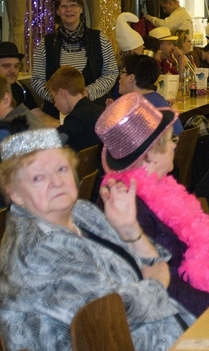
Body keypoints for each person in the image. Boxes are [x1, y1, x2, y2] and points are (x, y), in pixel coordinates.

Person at [0, 128, 193, 350]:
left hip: (161, 332)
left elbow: (154, 263)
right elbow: (107, 314)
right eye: (38, 178)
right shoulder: (35, 251)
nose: (56, 182)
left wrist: (129, 229)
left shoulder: (81, 211)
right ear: (15, 193)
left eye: (61, 169)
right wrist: (156, 284)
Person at [96, 93, 209, 316]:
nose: (176, 144)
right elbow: (165, 285)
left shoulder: (167, 187)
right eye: (171, 139)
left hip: (207, 301)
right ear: (151, 154)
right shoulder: (127, 206)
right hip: (178, 318)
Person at [31, 0, 117, 117]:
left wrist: (86, 94)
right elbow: (37, 80)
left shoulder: (100, 39)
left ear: (81, 9)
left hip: (94, 110)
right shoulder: (46, 43)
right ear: (57, 11)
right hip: (56, 112)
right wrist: (58, 98)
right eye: (64, 6)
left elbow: (111, 73)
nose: (68, 10)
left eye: (73, 5)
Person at [117, 54, 183, 134]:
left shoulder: (140, 107)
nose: (119, 77)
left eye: (122, 72)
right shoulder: (156, 98)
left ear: (131, 77)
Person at [47, 66, 104, 152]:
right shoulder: (99, 110)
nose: (54, 104)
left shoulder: (76, 117)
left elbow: (53, 142)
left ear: (61, 93)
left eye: (53, 98)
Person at [0, 41, 43, 118]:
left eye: (16, 66)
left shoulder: (20, 88)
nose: (13, 70)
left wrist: (60, 124)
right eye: (6, 66)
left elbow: (39, 116)